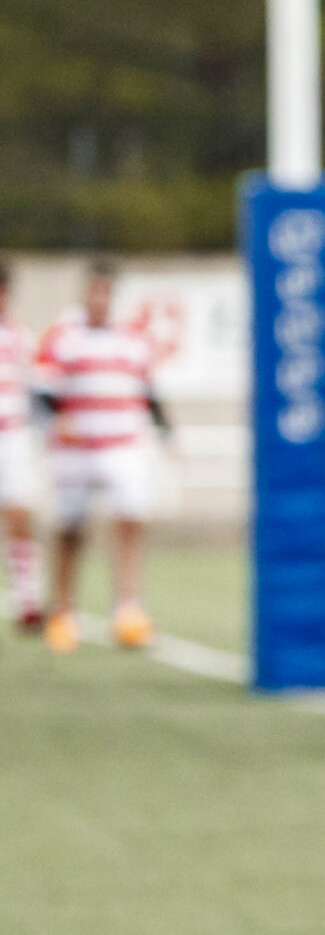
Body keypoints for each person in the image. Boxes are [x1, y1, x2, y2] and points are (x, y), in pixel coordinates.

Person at [33, 260, 169, 653]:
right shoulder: (62, 336)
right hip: (76, 449)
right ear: (84, 294)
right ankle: (63, 613)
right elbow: (42, 392)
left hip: (122, 445)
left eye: (106, 292)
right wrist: (57, 423)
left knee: (129, 522)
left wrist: (165, 435)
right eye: (94, 291)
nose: (99, 299)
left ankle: (128, 610)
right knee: (71, 529)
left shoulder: (134, 338)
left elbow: (149, 394)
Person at [0, 258, 43, 632]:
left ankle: (26, 598)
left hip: (10, 436)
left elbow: (35, 392)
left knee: (19, 514)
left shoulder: (20, 338)